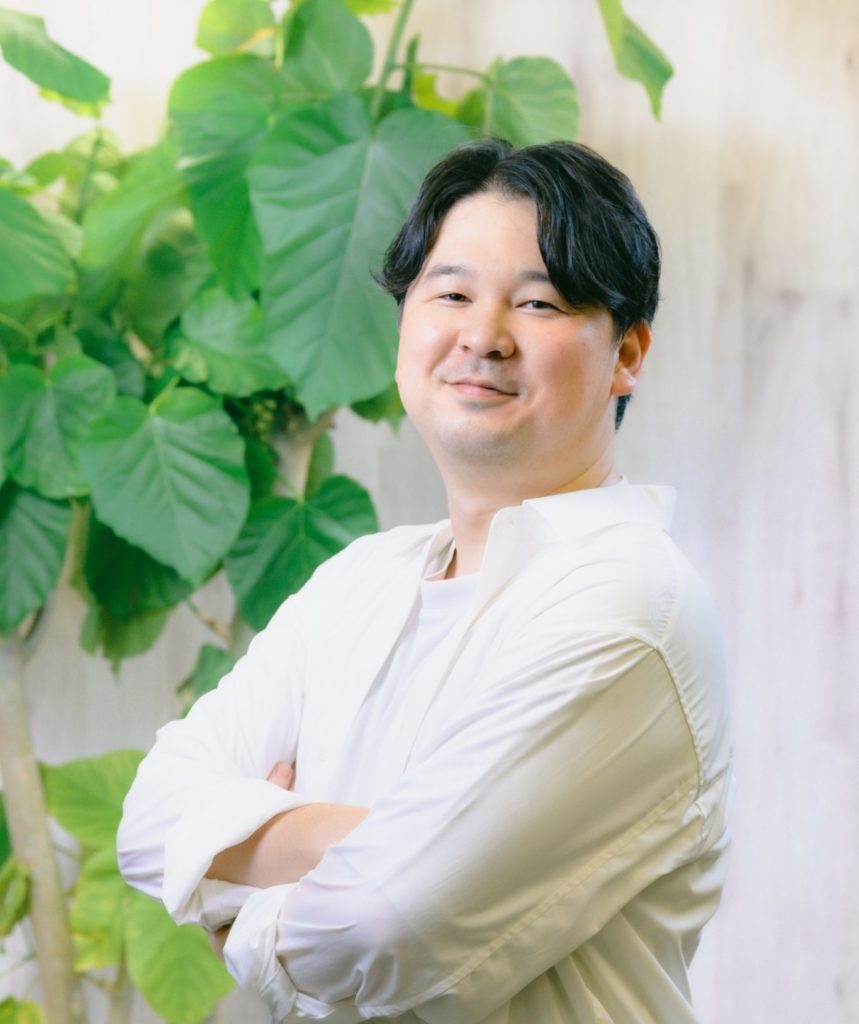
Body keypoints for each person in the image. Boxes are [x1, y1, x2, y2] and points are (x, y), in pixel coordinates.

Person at [118, 138, 733, 1024]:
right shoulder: (359, 580)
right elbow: (148, 820)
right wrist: (385, 845)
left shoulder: (627, 605)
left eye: (537, 302)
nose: (482, 337)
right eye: (450, 294)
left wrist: (241, 892)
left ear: (626, 354)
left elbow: (380, 922)